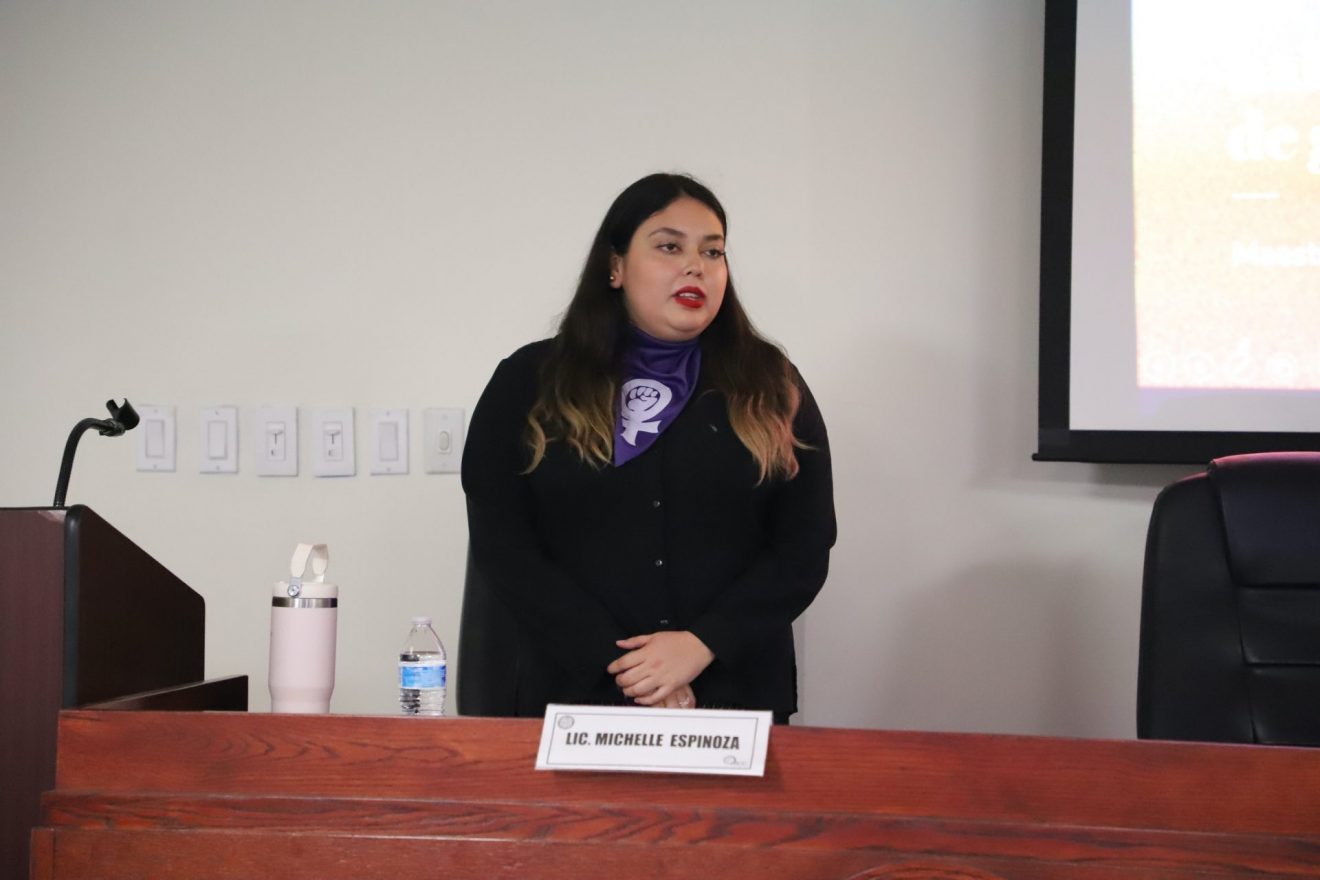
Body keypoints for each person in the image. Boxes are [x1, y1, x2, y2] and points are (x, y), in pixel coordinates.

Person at [461, 172, 835, 723]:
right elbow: (504, 546)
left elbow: (803, 547)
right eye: (669, 247)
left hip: (731, 695)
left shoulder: (771, 384)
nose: (696, 267)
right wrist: (630, 669)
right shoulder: (529, 381)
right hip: (569, 696)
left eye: (713, 252)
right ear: (615, 266)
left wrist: (703, 644)